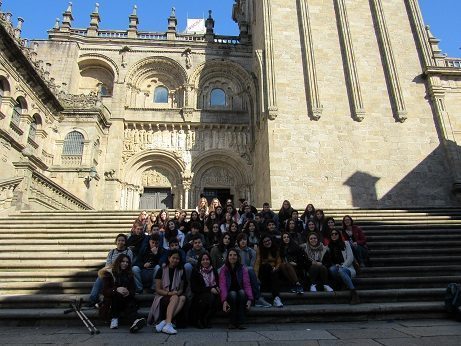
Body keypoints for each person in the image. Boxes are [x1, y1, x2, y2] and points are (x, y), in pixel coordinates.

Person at [99, 254, 146, 333]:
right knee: (117, 294)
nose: (125, 264)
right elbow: (105, 291)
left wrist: (128, 292)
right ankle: (114, 318)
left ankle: (135, 322)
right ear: (118, 262)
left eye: (127, 262)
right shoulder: (109, 273)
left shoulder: (129, 274)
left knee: (130, 301)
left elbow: (133, 290)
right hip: (112, 301)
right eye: (123, 261)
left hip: (125, 300)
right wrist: (116, 289)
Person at [88, 234, 134, 307]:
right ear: (116, 241)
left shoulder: (128, 252)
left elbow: (128, 263)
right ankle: (92, 300)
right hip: (111, 271)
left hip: (122, 272)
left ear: (125, 242)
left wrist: (115, 265)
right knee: (100, 278)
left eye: (122, 240)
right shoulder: (111, 252)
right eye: (119, 240)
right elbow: (108, 265)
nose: (120, 242)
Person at [147, 250, 186, 335]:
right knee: (175, 297)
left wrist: (176, 292)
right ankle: (168, 324)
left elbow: (181, 289)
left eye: (177, 259)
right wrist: (170, 293)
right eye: (173, 258)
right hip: (163, 296)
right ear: (169, 258)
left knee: (182, 297)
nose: (175, 260)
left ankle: (164, 322)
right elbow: (158, 289)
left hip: (174, 295)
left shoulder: (181, 270)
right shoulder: (162, 270)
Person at [219, 249, 253, 329]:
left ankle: (241, 322)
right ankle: (232, 321)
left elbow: (247, 284)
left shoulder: (242, 268)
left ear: (238, 257)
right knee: (233, 294)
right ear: (227, 257)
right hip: (230, 294)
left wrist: (250, 299)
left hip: (241, 293)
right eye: (230, 255)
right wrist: (224, 301)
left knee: (241, 292)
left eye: (234, 255)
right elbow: (222, 286)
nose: (232, 257)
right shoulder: (224, 269)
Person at [236, 233, 271, 308]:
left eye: (244, 240)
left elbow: (253, 266)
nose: (243, 241)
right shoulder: (235, 252)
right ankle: (258, 298)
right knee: (249, 270)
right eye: (241, 240)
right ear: (238, 241)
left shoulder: (252, 252)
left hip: (249, 274)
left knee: (250, 269)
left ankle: (257, 299)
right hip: (237, 274)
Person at [328, 230, 360, 304]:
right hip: (337, 267)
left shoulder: (346, 244)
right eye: (332, 234)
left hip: (347, 267)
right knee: (331, 269)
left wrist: (342, 266)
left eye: (336, 234)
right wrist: (335, 265)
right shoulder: (329, 247)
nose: (334, 235)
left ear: (339, 235)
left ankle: (354, 293)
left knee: (341, 270)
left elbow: (350, 257)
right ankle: (343, 283)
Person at [190, 252, 220, 328]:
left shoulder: (214, 270)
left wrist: (216, 287)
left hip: (213, 294)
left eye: (207, 259)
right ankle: (200, 319)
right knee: (208, 297)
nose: (205, 261)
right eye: (203, 260)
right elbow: (194, 288)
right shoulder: (196, 271)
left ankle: (206, 318)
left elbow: (217, 283)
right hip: (199, 295)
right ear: (200, 261)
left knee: (215, 298)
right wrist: (210, 289)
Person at [254, 235, 284, 307]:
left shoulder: (276, 248)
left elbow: (279, 261)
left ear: (271, 240)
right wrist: (256, 277)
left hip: (273, 272)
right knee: (267, 266)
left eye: (268, 240)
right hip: (264, 273)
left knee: (274, 272)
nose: (267, 243)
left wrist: (276, 268)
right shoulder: (260, 249)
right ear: (262, 243)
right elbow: (257, 263)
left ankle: (276, 298)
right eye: (265, 242)